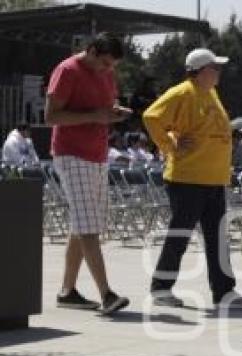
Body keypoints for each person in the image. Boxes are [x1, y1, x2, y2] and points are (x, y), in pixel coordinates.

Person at [143, 48, 242, 310]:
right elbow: (151, 117)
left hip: (213, 178)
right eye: (215, 67)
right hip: (188, 178)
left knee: (218, 237)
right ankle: (161, 288)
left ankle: (224, 292)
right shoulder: (183, 92)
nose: (219, 72)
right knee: (180, 235)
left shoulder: (210, 93)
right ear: (201, 71)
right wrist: (170, 144)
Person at [45, 32, 131, 314]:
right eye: (105, 62)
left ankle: (67, 291)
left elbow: (104, 107)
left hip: (97, 154)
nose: (109, 70)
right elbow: (50, 116)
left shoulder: (106, 73)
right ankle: (106, 295)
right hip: (71, 154)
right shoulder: (67, 70)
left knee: (82, 225)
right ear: (91, 51)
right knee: (89, 228)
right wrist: (95, 116)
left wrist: (114, 112)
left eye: (113, 65)